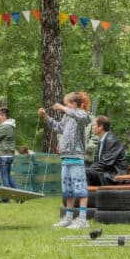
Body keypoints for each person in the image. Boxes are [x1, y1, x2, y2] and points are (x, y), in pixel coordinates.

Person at [38, 91, 91, 229]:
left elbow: (81, 116)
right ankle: (68, 218)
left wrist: (61, 107)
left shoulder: (82, 115)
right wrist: (46, 116)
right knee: (68, 190)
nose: (65, 106)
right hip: (66, 158)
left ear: (74, 104)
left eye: (67, 103)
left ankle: (83, 219)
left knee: (80, 188)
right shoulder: (67, 116)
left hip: (76, 158)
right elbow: (58, 127)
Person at [86, 115, 129, 186]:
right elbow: (98, 162)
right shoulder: (102, 140)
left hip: (116, 176)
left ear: (101, 127)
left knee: (85, 173)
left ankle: (84, 193)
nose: (92, 127)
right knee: (84, 173)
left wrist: (87, 170)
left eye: (94, 125)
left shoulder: (112, 141)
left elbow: (105, 163)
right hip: (107, 173)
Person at [0, 107, 17, 203]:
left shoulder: (5, 127)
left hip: (3, 155)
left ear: (3, 116)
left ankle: (6, 199)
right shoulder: (11, 126)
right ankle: (19, 197)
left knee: (4, 177)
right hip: (9, 155)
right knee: (8, 176)